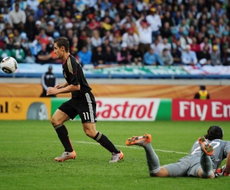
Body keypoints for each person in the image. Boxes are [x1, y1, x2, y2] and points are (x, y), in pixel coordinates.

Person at [47, 37, 123, 163]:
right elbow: (74, 79)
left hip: (84, 99)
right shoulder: (66, 62)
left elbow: (77, 86)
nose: (54, 51)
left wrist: (57, 91)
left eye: (55, 48)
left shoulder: (70, 62)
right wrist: (64, 84)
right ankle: (69, 152)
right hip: (76, 99)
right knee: (55, 120)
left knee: (90, 131)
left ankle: (117, 153)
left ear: (62, 48)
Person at [126, 125, 230, 178]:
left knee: (156, 172)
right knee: (208, 174)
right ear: (221, 136)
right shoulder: (225, 143)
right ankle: (204, 153)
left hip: (187, 160)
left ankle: (147, 145)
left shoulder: (198, 141)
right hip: (200, 163)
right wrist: (227, 171)